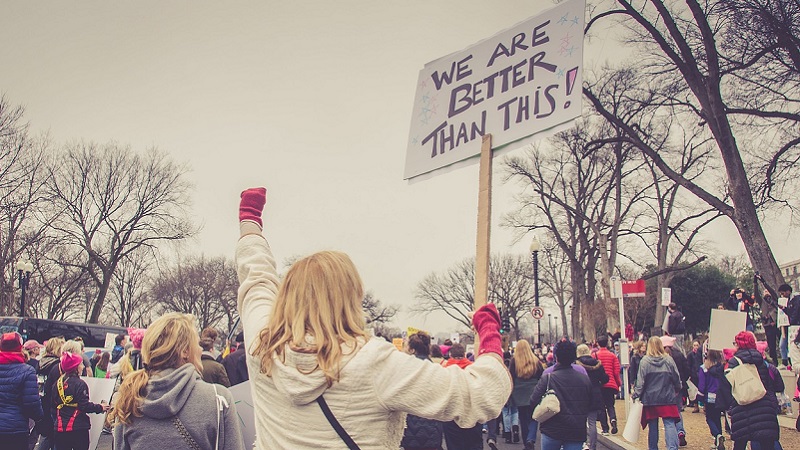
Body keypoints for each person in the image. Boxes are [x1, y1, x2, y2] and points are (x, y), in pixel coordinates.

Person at [234, 187, 511, 449]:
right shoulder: (372, 362)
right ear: (350, 299)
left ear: (287, 296)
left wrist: (250, 223)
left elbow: (256, 278)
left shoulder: (263, 346)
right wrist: (488, 332)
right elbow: (479, 395)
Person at [110, 312, 244, 450]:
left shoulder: (128, 400)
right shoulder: (218, 399)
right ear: (184, 351)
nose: (200, 349)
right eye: (197, 343)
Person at [716, 331, 781, 450]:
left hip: (742, 407)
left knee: (740, 444)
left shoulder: (734, 362)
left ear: (739, 344)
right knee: (767, 443)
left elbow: (727, 386)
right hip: (764, 407)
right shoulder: (761, 361)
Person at [529, 339, 592, 450]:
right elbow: (591, 404)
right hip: (576, 430)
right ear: (574, 357)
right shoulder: (584, 379)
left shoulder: (548, 378)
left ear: (556, 357)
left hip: (551, 429)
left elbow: (533, 400)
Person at [51, 352, 109, 450]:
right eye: (81, 364)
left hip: (60, 428)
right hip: (78, 428)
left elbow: (53, 404)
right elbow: (84, 406)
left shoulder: (57, 383)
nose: (83, 367)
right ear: (76, 367)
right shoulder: (80, 384)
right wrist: (100, 407)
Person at [632, 336, 682, 450]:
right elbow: (676, 377)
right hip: (667, 396)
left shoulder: (645, 361)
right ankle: (672, 447)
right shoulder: (668, 360)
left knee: (653, 426)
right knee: (669, 423)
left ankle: (653, 448)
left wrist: (636, 395)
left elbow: (640, 382)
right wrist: (678, 389)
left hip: (650, 398)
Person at [0, 332, 43, 450]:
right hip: (16, 428)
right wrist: (39, 418)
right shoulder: (27, 371)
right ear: (20, 347)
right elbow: (31, 403)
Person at [400, 332, 443, 450]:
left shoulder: (404, 371)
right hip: (433, 426)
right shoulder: (437, 370)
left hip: (409, 427)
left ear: (412, 350)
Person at [509, 339, 544, 450]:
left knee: (523, 420)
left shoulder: (514, 361)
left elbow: (511, 378)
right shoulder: (536, 361)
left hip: (519, 395)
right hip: (534, 393)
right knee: (534, 418)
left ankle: (527, 444)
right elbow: (541, 377)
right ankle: (531, 439)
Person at [576, 343, 609, 450]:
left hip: (581, 394)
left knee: (581, 421)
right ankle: (593, 446)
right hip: (595, 393)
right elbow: (605, 379)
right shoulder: (597, 363)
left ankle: (583, 444)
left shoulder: (576, 365)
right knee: (592, 422)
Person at [660, 335, 689, 446]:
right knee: (677, 411)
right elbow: (686, 369)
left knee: (668, 416)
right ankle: (680, 431)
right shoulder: (679, 354)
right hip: (678, 387)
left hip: (665, 388)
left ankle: (672, 438)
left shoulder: (661, 356)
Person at [696, 349, 726, 450]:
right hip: (720, 395)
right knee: (717, 417)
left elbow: (702, 385)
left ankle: (717, 435)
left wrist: (699, 398)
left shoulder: (704, 368)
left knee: (709, 417)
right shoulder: (721, 367)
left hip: (709, 396)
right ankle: (718, 440)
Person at [594, 335, 621, 435]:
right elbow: (616, 372)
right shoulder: (613, 356)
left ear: (598, 343)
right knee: (610, 405)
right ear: (607, 343)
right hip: (611, 383)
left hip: (599, 385)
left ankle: (605, 428)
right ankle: (613, 420)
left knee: (601, 407)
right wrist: (618, 384)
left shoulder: (595, 355)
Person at [686, 340, 703, 413]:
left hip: (700, 374)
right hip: (693, 375)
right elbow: (688, 364)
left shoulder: (701, 354)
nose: (696, 347)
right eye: (694, 345)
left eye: (697, 345)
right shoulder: (690, 354)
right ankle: (696, 405)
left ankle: (704, 405)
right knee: (694, 391)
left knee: (702, 389)